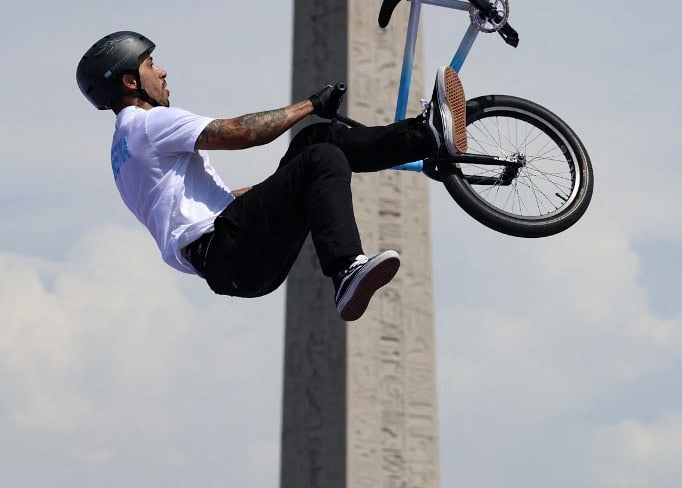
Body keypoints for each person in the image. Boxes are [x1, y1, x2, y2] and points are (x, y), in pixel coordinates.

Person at [77, 31, 467, 321]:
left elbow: (204, 204)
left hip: (232, 262)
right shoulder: (148, 124)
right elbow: (243, 132)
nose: (162, 71)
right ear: (130, 81)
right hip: (228, 251)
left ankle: (425, 135)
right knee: (321, 157)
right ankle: (347, 269)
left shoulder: (121, 152)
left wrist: (283, 183)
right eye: (149, 65)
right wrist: (310, 104)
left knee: (316, 141)